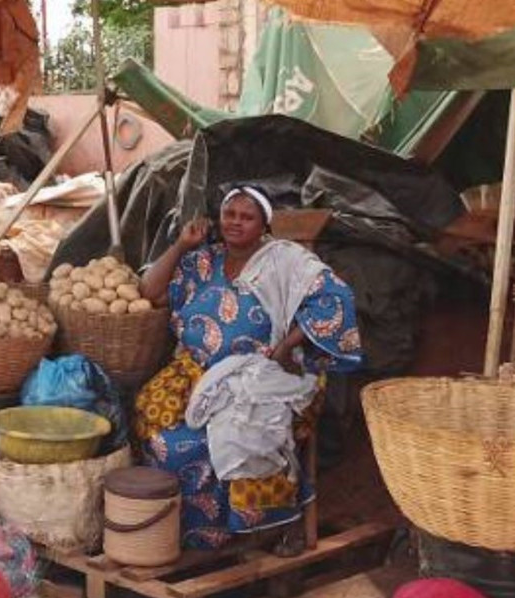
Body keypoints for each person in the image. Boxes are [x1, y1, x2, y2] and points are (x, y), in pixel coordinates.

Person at [134, 185, 364, 550]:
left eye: (246, 217)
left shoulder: (285, 260)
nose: (236, 223)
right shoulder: (202, 261)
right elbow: (148, 291)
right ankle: (191, 534)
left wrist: (288, 346)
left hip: (261, 375)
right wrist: (180, 245)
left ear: (264, 225)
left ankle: (246, 530)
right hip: (196, 373)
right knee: (154, 420)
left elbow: (335, 299)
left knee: (213, 440)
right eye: (230, 215)